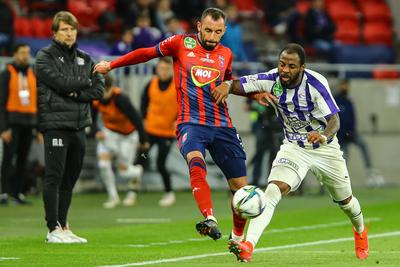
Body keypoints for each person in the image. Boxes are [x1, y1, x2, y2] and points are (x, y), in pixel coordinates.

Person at [95, 7, 259, 241]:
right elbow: (146, 53)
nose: (213, 37)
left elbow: (228, 83)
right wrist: (112, 65)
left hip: (222, 125)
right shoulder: (181, 43)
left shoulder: (226, 54)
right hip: (190, 123)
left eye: (218, 32)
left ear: (224, 31)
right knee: (195, 160)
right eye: (209, 30)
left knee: (240, 187)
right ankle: (209, 217)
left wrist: (254, 94)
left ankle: (237, 238)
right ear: (199, 26)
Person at [212, 43, 369, 261]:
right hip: (294, 148)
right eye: (282, 64)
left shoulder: (315, 84)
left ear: (302, 67)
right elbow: (243, 84)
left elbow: (335, 120)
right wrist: (227, 85)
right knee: (273, 191)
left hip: (325, 149)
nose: (285, 70)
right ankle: (248, 245)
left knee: (346, 203)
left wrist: (323, 135)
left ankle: (360, 231)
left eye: (291, 66)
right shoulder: (272, 79)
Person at [35, 11, 104, 243]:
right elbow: (60, 83)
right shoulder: (44, 57)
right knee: (54, 176)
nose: (69, 33)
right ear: (55, 32)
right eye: (64, 29)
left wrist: (73, 91)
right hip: (55, 125)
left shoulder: (85, 58)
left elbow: (98, 90)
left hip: (79, 125)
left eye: (72, 29)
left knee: (70, 178)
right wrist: (83, 83)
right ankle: (51, 228)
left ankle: (63, 226)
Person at [92, 75, 148, 209]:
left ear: (111, 88)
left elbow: (136, 118)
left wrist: (143, 139)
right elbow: (91, 118)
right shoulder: (95, 98)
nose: (103, 94)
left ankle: (137, 172)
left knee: (124, 171)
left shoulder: (121, 99)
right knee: (103, 164)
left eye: (105, 90)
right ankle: (113, 196)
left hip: (127, 136)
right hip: (109, 134)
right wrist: (96, 131)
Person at [0, 44, 41, 205]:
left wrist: (38, 128)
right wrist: (3, 128)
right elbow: (1, 102)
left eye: (27, 53)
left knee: (23, 159)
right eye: (22, 53)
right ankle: (3, 193)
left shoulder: (32, 73)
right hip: (12, 123)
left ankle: (17, 193)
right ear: (15, 54)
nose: (26, 56)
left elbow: (37, 102)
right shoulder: (6, 74)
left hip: (29, 122)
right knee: (9, 158)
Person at [138, 57, 178, 207]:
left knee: (161, 163)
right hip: (150, 131)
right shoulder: (151, 83)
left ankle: (169, 193)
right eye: (161, 68)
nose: (164, 71)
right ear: (157, 69)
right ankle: (132, 191)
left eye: (167, 69)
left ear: (171, 70)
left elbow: (184, 106)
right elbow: (143, 102)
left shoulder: (178, 85)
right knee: (141, 159)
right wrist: (142, 120)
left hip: (167, 133)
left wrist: (178, 120)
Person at [335, 79, 385, 187]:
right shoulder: (335, 101)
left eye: (347, 86)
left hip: (351, 134)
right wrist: (342, 134)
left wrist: (352, 131)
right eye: (343, 85)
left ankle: (370, 169)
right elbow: (336, 120)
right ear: (340, 86)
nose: (345, 88)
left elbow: (353, 119)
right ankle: (340, 181)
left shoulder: (349, 101)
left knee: (363, 144)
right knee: (343, 159)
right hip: (341, 137)